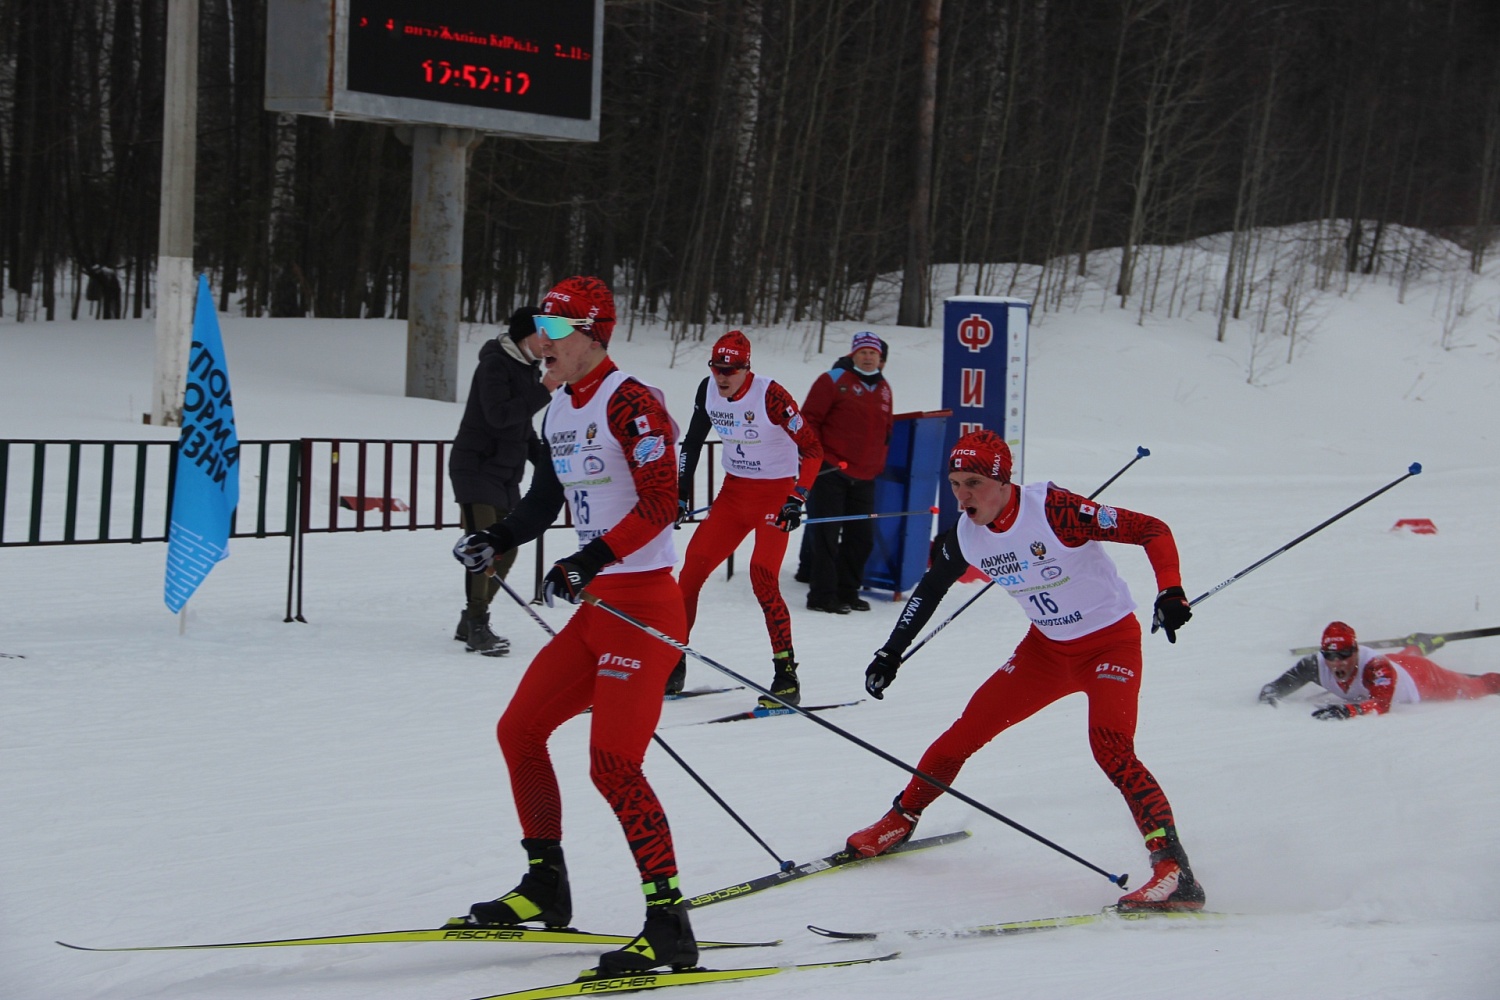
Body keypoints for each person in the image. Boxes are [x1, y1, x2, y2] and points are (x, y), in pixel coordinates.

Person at [845, 429, 1205, 912]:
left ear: (1003, 481)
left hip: (1109, 646)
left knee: (1111, 748)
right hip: (1045, 652)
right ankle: (901, 818)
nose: (962, 497)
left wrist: (1170, 590)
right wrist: (891, 652)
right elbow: (930, 590)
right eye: (955, 484)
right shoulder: (966, 535)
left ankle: (1174, 872)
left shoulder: (1055, 511)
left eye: (973, 483)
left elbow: (1151, 529)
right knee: (963, 734)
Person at [452, 276, 698, 974]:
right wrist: (497, 538)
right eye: (541, 328)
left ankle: (669, 923)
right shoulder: (559, 408)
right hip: (598, 612)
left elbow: (661, 503)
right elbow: (544, 498)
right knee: (519, 730)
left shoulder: (634, 403)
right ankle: (545, 885)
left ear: (594, 336)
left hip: (644, 608)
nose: (543, 342)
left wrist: (589, 559)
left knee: (613, 762)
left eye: (557, 331)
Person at [672, 330, 823, 706]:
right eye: (716, 368)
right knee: (690, 571)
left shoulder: (771, 395)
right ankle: (673, 662)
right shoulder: (707, 389)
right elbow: (692, 442)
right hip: (733, 494)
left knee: (762, 576)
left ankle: (786, 675)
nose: (722, 377)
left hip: (774, 496)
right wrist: (680, 493)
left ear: (746, 368)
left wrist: (797, 498)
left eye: (731, 370)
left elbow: (812, 449)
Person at [448, 306, 556, 655]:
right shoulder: (494, 364)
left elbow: (522, 428)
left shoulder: (527, 369)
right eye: (542, 334)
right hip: (476, 468)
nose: (548, 342)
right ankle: (477, 624)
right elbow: (499, 416)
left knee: (505, 550)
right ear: (525, 336)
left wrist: (552, 467)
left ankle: (471, 619)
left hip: (506, 475)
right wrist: (545, 390)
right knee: (482, 549)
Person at [799, 331, 893, 613]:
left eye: (873, 353)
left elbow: (886, 430)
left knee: (861, 538)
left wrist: (878, 461)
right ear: (853, 355)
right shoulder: (833, 379)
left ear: (880, 357)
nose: (868, 357)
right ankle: (822, 596)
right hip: (831, 470)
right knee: (826, 536)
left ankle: (848, 591)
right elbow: (809, 420)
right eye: (863, 352)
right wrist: (816, 457)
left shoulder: (884, 387)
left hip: (865, 476)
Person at [1259, 621, 1500, 718]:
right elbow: (1275, 688)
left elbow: (1381, 704)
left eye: (1344, 655)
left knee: (1476, 687)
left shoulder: (1376, 667)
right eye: (1331, 656)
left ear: (1356, 650)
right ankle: (1419, 644)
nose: (1337, 662)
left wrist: (1349, 711)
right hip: (1398, 663)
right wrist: (1269, 695)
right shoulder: (1314, 664)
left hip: (1421, 678)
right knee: (1403, 658)